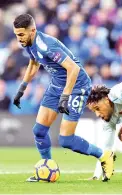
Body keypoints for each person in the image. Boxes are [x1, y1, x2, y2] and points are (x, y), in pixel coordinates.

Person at [12, 14, 114, 182]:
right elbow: (34, 63)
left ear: (33, 31)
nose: (19, 38)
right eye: (16, 34)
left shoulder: (46, 45)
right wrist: (22, 89)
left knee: (66, 140)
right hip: (57, 85)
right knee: (39, 131)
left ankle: (104, 156)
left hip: (77, 86)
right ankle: (47, 170)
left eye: (21, 34)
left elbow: (73, 69)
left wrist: (65, 96)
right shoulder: (28, 42)